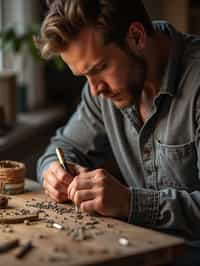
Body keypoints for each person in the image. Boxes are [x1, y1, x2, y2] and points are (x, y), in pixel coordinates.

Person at [35, 1, 200, 265]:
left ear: (136, 37)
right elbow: (62, 145)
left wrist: (130, 202)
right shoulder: (102, 91)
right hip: (137, 250)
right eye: (84, 76)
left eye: (99, 68)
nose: (95, 89)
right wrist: (52, 170)